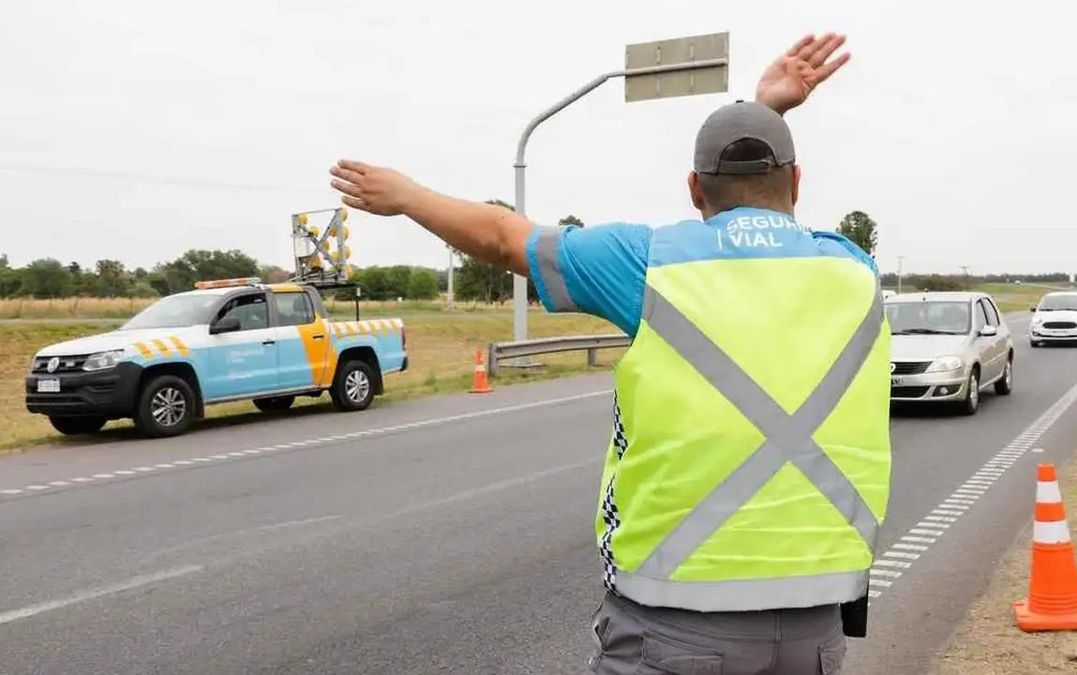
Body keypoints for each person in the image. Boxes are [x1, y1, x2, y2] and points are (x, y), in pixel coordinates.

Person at [329, 33, 889, 675]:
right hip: (815, 630)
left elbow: (504, 238)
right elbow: (773, 232)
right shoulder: (854, 268)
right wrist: (765, 115)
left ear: (692, 188)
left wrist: (407, 197)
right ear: (797, 179)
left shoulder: (647, 264)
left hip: (675, 626)